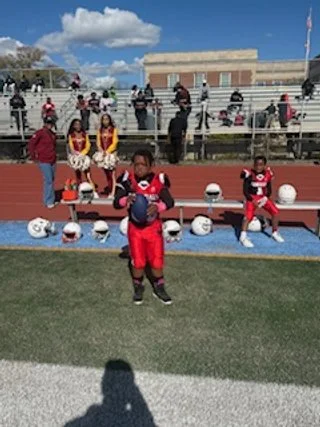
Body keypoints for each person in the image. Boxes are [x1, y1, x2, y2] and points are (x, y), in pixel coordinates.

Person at [113, 149, 174, 305]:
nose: (139, 168)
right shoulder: (127, 180)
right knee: (138, 261)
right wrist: (126, 199)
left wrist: (157, 207)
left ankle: (159, 287)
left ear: (150, 165)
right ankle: (138, 285)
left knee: (156, 261)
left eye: (143, 164)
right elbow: (116, 203)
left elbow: (169, 201)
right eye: (136, 164)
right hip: (136, 229)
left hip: (153, 228)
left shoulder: (158, 180)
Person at [239, 156, 284, 248]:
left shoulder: (268, 174)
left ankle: (275, 232)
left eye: (261, 165)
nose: (258, 167)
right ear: (254, 165)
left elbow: (269, 189)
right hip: (251, 198)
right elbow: (245, 191)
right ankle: (243, 236)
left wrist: (266, 198)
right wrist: (252, 200)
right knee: (248, 216)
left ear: (264, 165)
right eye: (256, 165)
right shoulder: (249, 174)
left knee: (275, 212)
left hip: (263, 198)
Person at [28, 117, 57, 209]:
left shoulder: (52, 134)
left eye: (51, 123)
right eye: (48, 123)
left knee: (51, 179)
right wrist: (33, 156)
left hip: (52, 159)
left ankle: (48, 198)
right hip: (43, 160)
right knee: (48, 180)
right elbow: (31, 144)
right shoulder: (39, 133)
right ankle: (49, 201)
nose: (49, 124)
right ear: (44, 123)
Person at [67, 119, 95, 188]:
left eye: (79, 124)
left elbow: (88, 145)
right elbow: (71, 146)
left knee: (88, 174)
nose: (78, 126)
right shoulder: (71, 135)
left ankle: (92, 188)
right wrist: (75, 153)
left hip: (84, 157)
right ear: (73, 126)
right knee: (78, 174)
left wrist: (83, 153)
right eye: (76, 124)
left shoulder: (85, 135)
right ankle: (79, 188)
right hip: (76, 157)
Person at [96, 114, 119, 197]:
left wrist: (108, 151)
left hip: (111, 154)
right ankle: (110, 189)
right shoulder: (100, 130)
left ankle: (113, 192)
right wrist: (101, 150)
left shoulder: (114, 130)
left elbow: (115, 142)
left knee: (112, 173)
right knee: (106, 173)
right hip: (103, 154)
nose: (105, 121)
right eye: (104, 119)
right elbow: (98, 141)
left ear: (110, 120)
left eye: (107, 119)